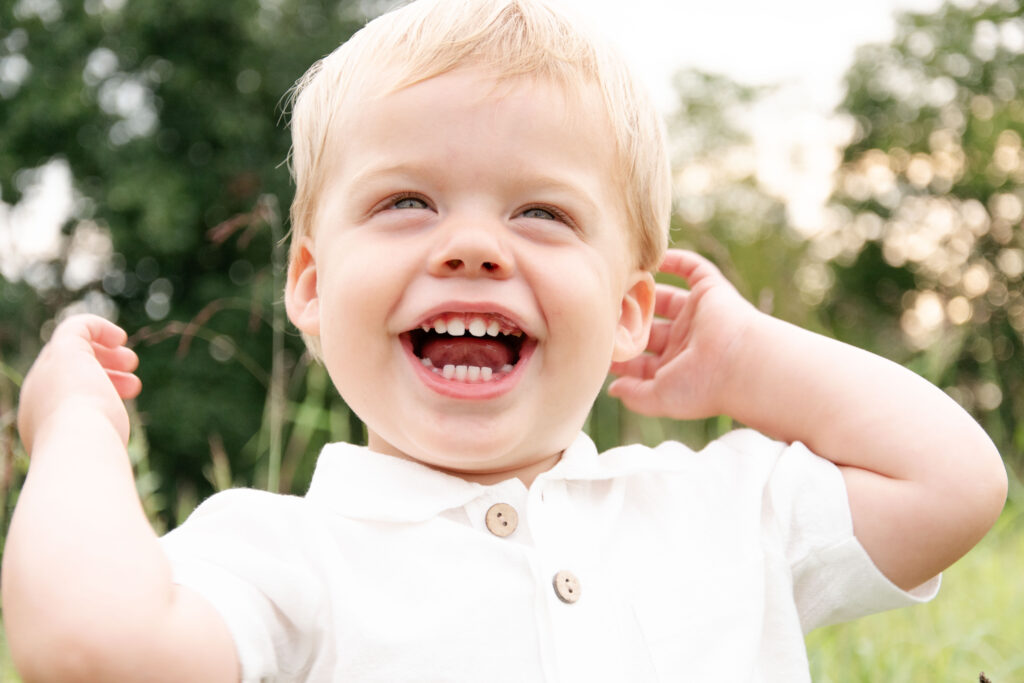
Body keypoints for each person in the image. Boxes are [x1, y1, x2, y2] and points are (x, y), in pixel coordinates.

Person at [2, 0, 1008, 681]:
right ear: (309, 284)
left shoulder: (719, 506)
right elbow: (89, 644)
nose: (474, 247)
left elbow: (951, 482)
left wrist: (750, 363)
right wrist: (76, 425)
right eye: (406, 201)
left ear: (627, 308)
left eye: (540, 213)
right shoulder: (284, 552)